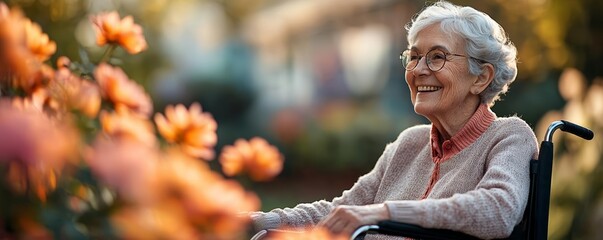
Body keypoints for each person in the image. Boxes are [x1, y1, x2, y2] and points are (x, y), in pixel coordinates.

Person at [250, 1, 538, 239]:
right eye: (413, 57)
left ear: (481, 77)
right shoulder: (408, 144)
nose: (418, 69)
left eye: (437, 57)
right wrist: (256, 220)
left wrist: (386, 212)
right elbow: (341, 210)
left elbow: (498, 209)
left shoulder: (508, 135)